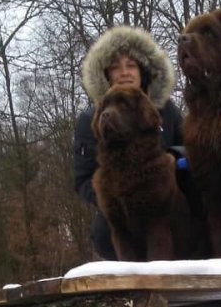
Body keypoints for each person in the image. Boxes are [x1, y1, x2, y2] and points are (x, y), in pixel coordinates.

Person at [74, 26, 184, 259]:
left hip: (167, 212)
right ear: (105, 74)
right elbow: (82, 178)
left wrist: (172, 161)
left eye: (131, 65)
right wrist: (109, 199)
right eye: (115, 66)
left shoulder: (168, 111)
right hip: (117, 214)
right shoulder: (90, 120)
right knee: (107, 233)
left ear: (143, 71)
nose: (124, 72)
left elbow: (188, 151)